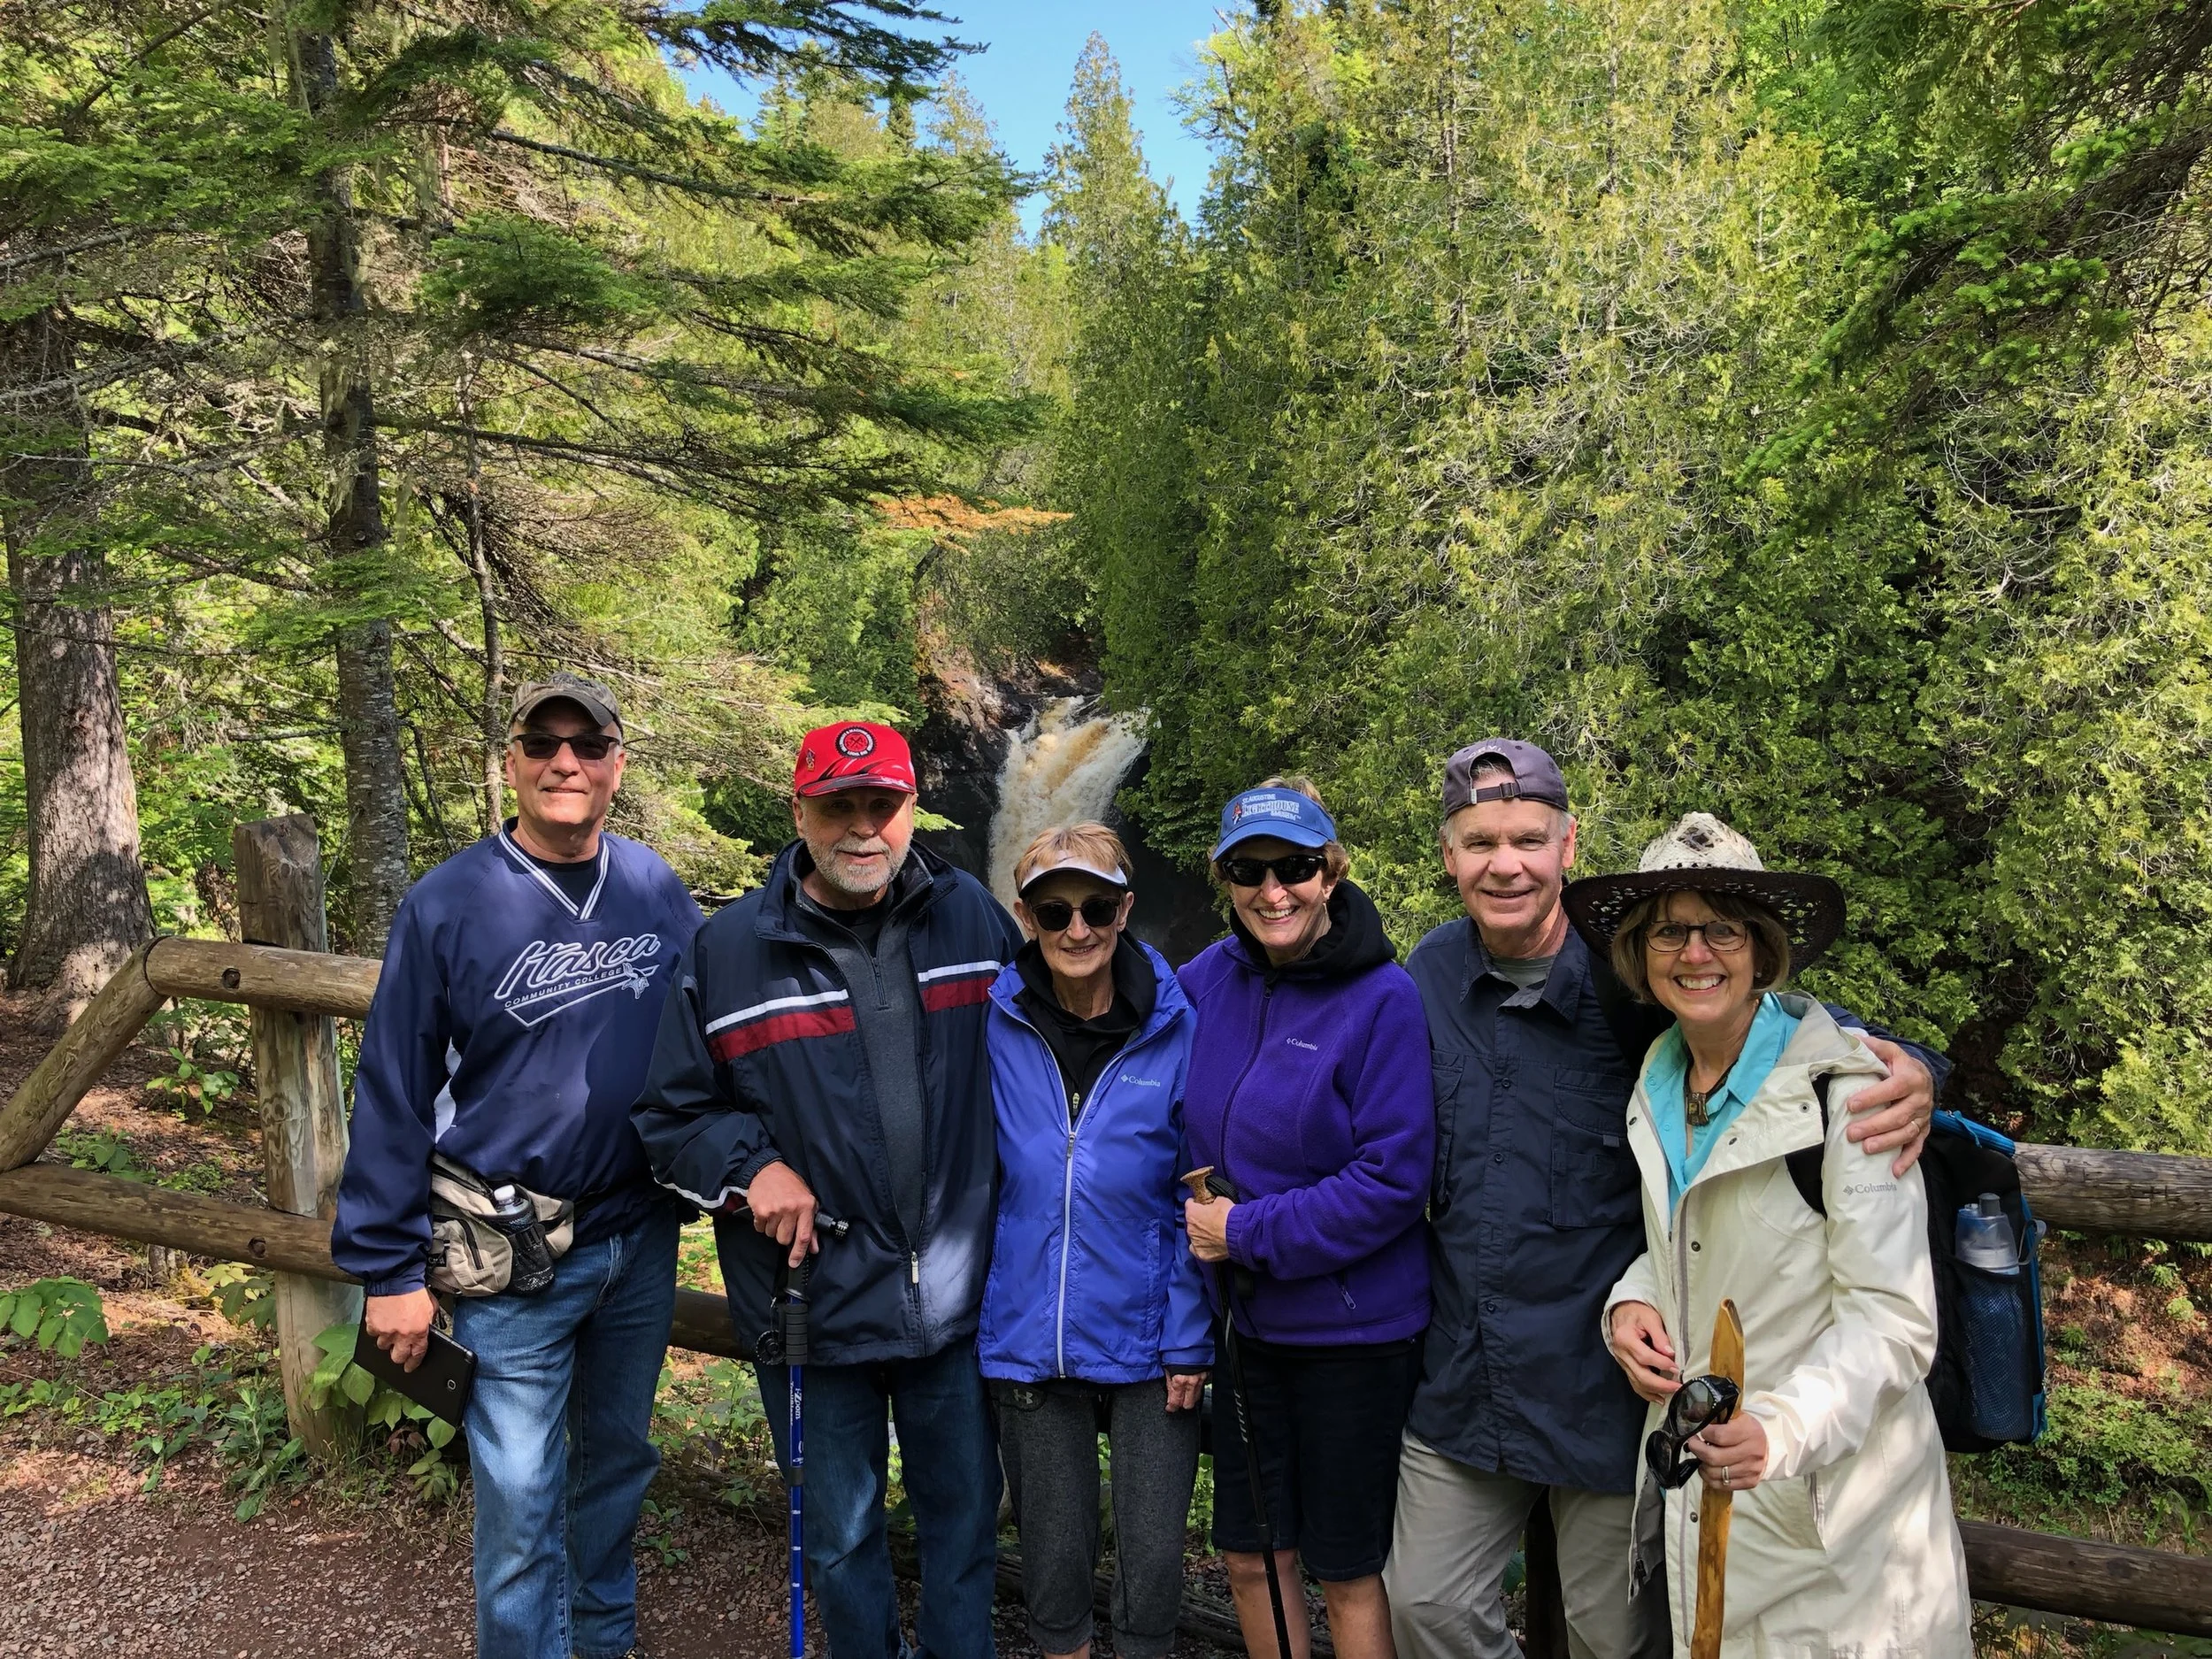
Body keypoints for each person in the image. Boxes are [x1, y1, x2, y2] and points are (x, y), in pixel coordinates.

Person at [1386, 741, 1950, 1659]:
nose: (1505, 863)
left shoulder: (1640, 1005)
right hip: (1468, 1379)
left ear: (1567, 849)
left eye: (1527, 838)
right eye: (1479, 841)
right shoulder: (1429, 982)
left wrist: (1922, 1070)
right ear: (1447, 856)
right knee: (1424, 1605)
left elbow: (1791, 1036)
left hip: (1619, 1408)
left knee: (1618, 1634)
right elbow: (1677, 1213)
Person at [333, 672, 705, 1659]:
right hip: (509, 1252)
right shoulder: (448, 904)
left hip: (637, 1235)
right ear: (510, 764)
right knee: (519, 1502)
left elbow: (719, 1036)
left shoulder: (655, 889)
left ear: (618, 767)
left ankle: (603, 1644)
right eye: (542, 744)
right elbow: (392, 1092)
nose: (564, 763)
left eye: (587, 746)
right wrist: (388, 1271)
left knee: (616, 1467)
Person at [632, 720, 1020, 1659]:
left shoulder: (974, 917)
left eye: (880, 805)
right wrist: (748, 1167)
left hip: (961, 1299)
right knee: (841, 1540)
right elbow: (671, 1116)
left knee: (963, 1530)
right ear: (798, 810)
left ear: (910, 809)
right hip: (811, 1302)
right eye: (837, 805)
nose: (862, 828)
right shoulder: (725, 950)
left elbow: (1054, 1052)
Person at [1566, 811, 1973, 1655]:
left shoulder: (1848, 1094)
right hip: (1714, 1506)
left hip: (1842, 1525)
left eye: (1722, 927)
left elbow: (1894, 1323)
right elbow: (1692, 1238)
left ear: (1760, 948)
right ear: (1640, 952)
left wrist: (1782, 1429)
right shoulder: (1662, 1072)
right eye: (1670, 930)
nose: (1696, 952)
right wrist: (1631, 1303)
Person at [1179, 779, 1435, 1659]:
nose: (1271, 889)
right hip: (1246, 1328)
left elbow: (1392, 1179)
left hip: (1352, 1335)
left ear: (1329, 872)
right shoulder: (1202, 982)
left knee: (1346, 1567)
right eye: (1248, 871)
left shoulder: (1383, 998)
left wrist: (1245, 1234)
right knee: (1251, 1559)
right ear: (1226, 882)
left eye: (1293, 866)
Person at [980, 822, 1211, 1659]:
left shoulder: (1182, 1024)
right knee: (1052, 1560)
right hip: (1029, 1326)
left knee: (1152, 1561)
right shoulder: (993, 1020)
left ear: (1126, 909)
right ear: (1025, 914)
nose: (1077, 929)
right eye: (1054, 910)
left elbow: (1202, 1187)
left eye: (1096, 907)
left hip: (1156, 1336)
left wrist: (1191, 1332)